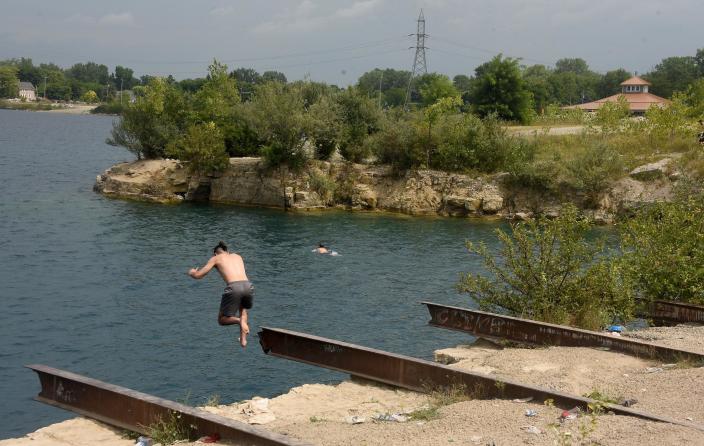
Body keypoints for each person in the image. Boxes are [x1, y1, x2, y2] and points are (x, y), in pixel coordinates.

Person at [188, 241, 253, 347]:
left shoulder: (216, 258)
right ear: (227, 251)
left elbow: (199, 275)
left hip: (234, 287)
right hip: (248, 285)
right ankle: (243, 340)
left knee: (222, 320)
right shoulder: (237, 256)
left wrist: (191, 272)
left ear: (215, 254)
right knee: (243, 311)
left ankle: (238, 321)